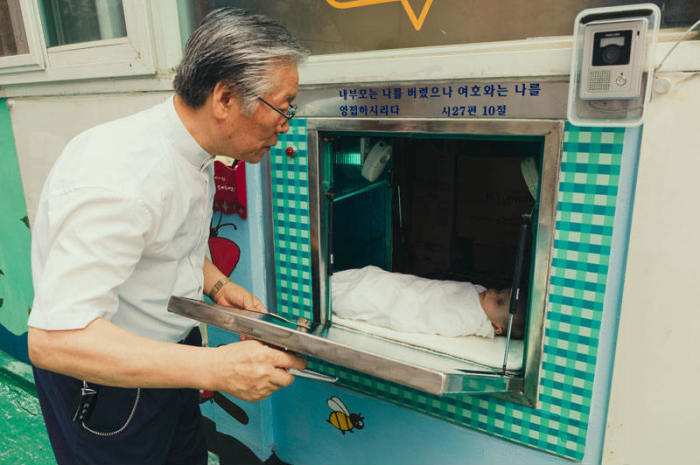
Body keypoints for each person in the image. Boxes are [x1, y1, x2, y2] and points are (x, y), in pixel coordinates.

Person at [27, 8, 308, 465]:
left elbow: (163, 239)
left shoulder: (191, 150)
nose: (286, 124)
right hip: (108, 382)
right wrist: (217, 368)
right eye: (282, 107)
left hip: (168, 358)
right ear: (224, 99)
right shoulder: (121, 180)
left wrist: (217, 286)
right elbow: (55, 338)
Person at [331, 265, 527, 339]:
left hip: (408, 304)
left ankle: (332, 294)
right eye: (500, 291)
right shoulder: (480, 294)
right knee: (375, 277)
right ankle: (332, 282)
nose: (493, 293)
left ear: (497, 327)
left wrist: (406, 309)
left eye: (499, 302)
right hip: (413, 288)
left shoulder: (469, 318)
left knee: (368, 296)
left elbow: (429, 316)